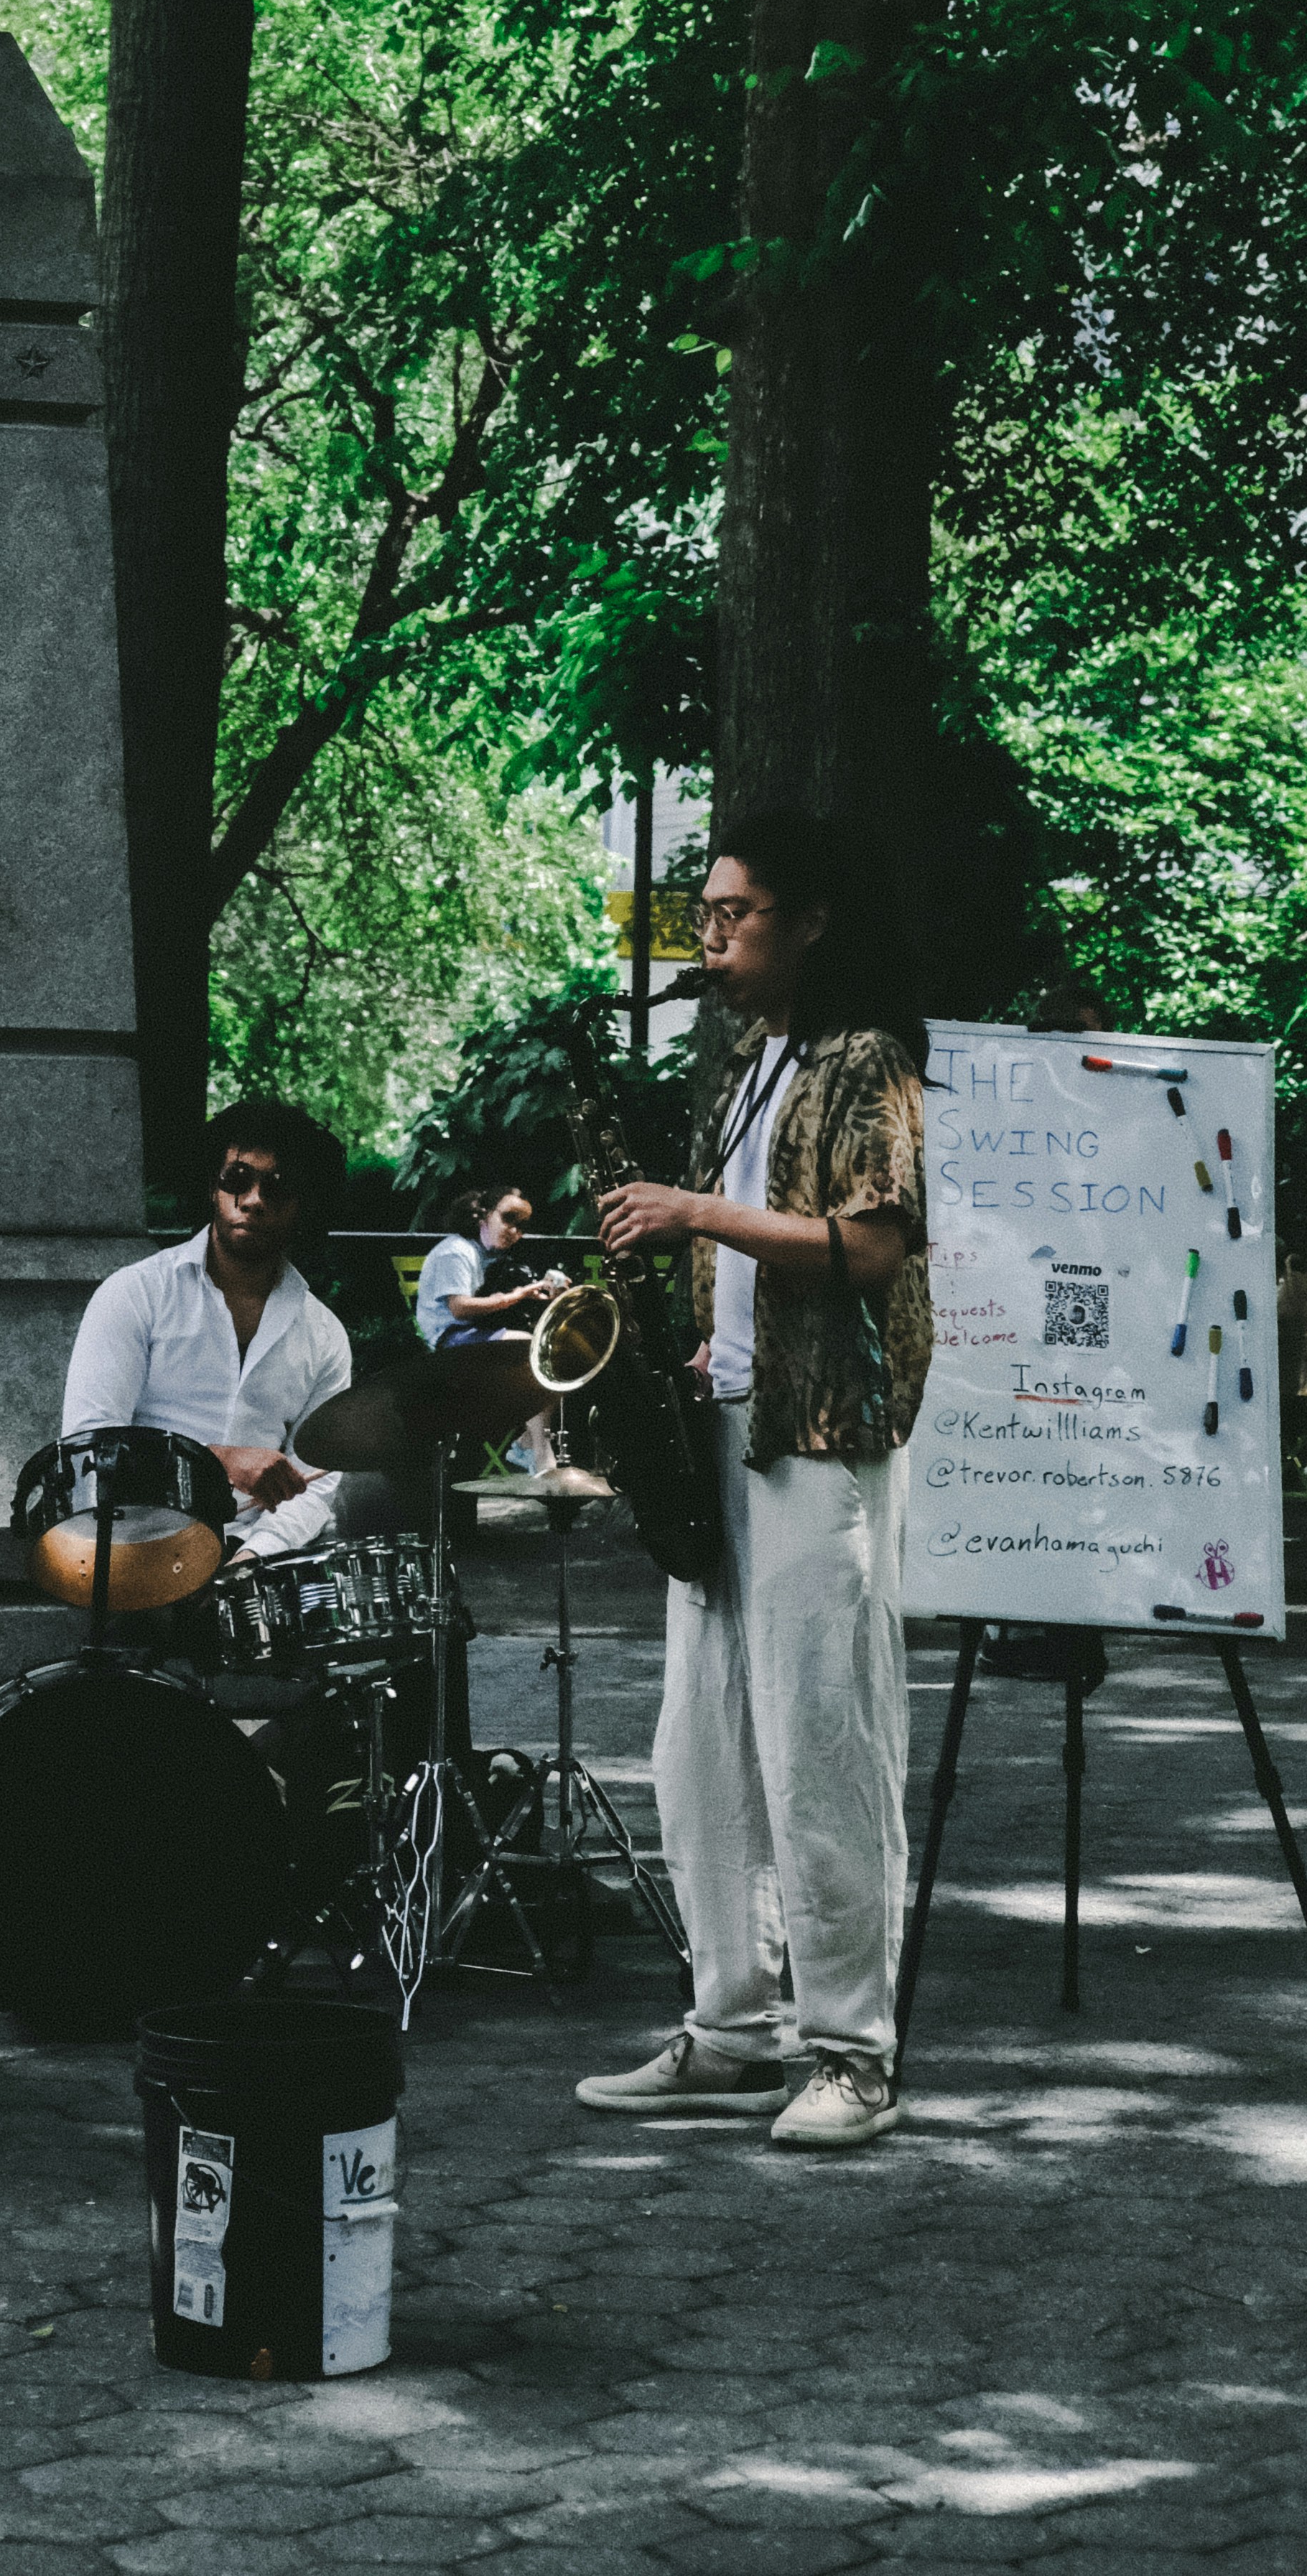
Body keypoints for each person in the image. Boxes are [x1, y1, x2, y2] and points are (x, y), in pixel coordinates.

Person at [575, 810, 934, 2152]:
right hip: (722, 1434)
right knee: (700, 1755)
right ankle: (731, 2030)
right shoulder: (748, 1067)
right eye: (706, 913)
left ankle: (852, 2054)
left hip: (818, 1441)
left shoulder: (864, 1062)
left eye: (738, 913)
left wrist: (695, 1212)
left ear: (814, 923)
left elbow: (874, 1246)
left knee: (818, 1750)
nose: (712, 934)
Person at [60, 1098, 354, 1564]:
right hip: (135, 1548)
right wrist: (218, 1462)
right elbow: (88, 1450)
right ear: (213, 1189)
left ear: (302, 1205)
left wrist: (253, 1557)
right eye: (237, 1180)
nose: (254, 1199)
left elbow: (315, 1482)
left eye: (277, 1188)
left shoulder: (324, 1335)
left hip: (254, 1563)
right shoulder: (136, 1294)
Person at [415, 1180, 561, 1480]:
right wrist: (516, 1296)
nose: (514, 1232)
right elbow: (460, 1308)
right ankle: (537, 1448)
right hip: (450, 1344)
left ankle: (528, 1443)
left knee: (549, 1355)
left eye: (521, 1227)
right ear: (483, 1214)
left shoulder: (483, 1253)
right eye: (508, 1219)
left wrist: (538, 1290)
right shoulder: (455, 1252)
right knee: (533, 1350)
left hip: (470, 1339)